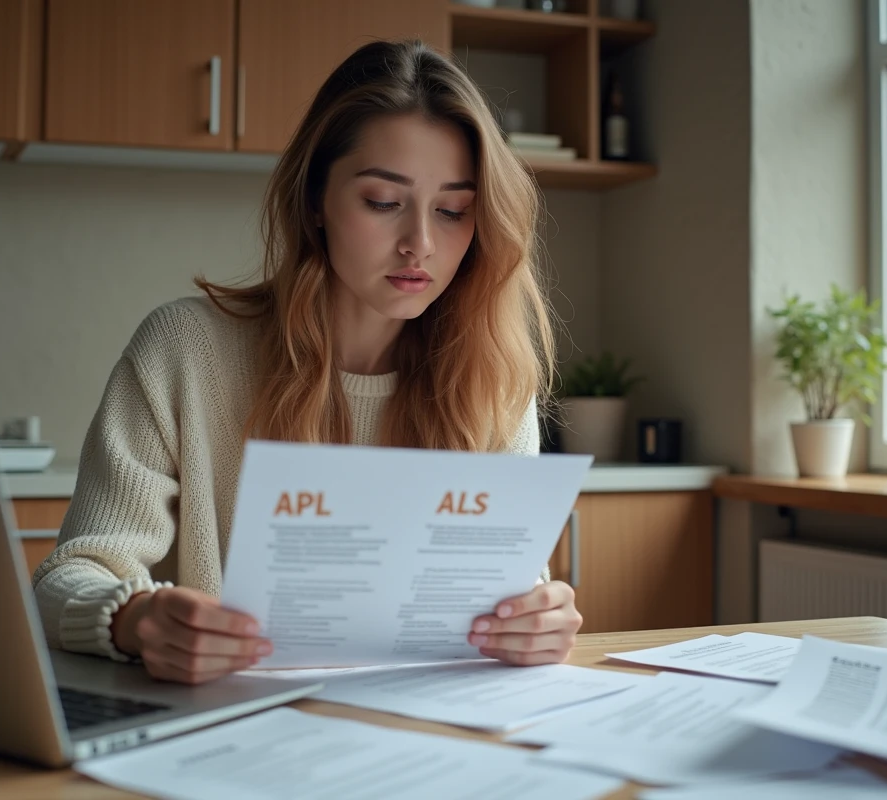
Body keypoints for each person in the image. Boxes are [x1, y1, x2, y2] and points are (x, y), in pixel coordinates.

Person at [32, 38, 582, 685]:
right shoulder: (184, 350)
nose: (420, 244)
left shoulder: (492, 379)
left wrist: (537, 616)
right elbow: (70, 574)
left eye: (454, 211)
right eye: (383, 201)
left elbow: (506, 600)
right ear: (316, 199)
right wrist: (133, 618)